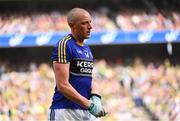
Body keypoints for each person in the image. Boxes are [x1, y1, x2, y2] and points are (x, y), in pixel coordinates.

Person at [48, 8, 106, 121]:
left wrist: (95, 97)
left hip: (86, 111)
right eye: (84, 23)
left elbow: (89, 78)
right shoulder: (64, 45)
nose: (90, 27)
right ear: (72, 25)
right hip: (65, 111)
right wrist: (90, 105)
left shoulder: (87, 48)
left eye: (90, 22)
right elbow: (62, 85)